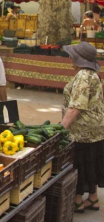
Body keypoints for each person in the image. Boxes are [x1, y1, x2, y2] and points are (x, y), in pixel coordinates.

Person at [60, 42, 104, 213]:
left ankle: (77, 201)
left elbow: (75, 106)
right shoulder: (93, 74)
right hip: (96, 129)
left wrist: (61, 128)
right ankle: (93, 198)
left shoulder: (83, 76)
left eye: (72, 56)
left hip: (82, 131)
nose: (69, 58)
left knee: (78, 164)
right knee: (91, 162)